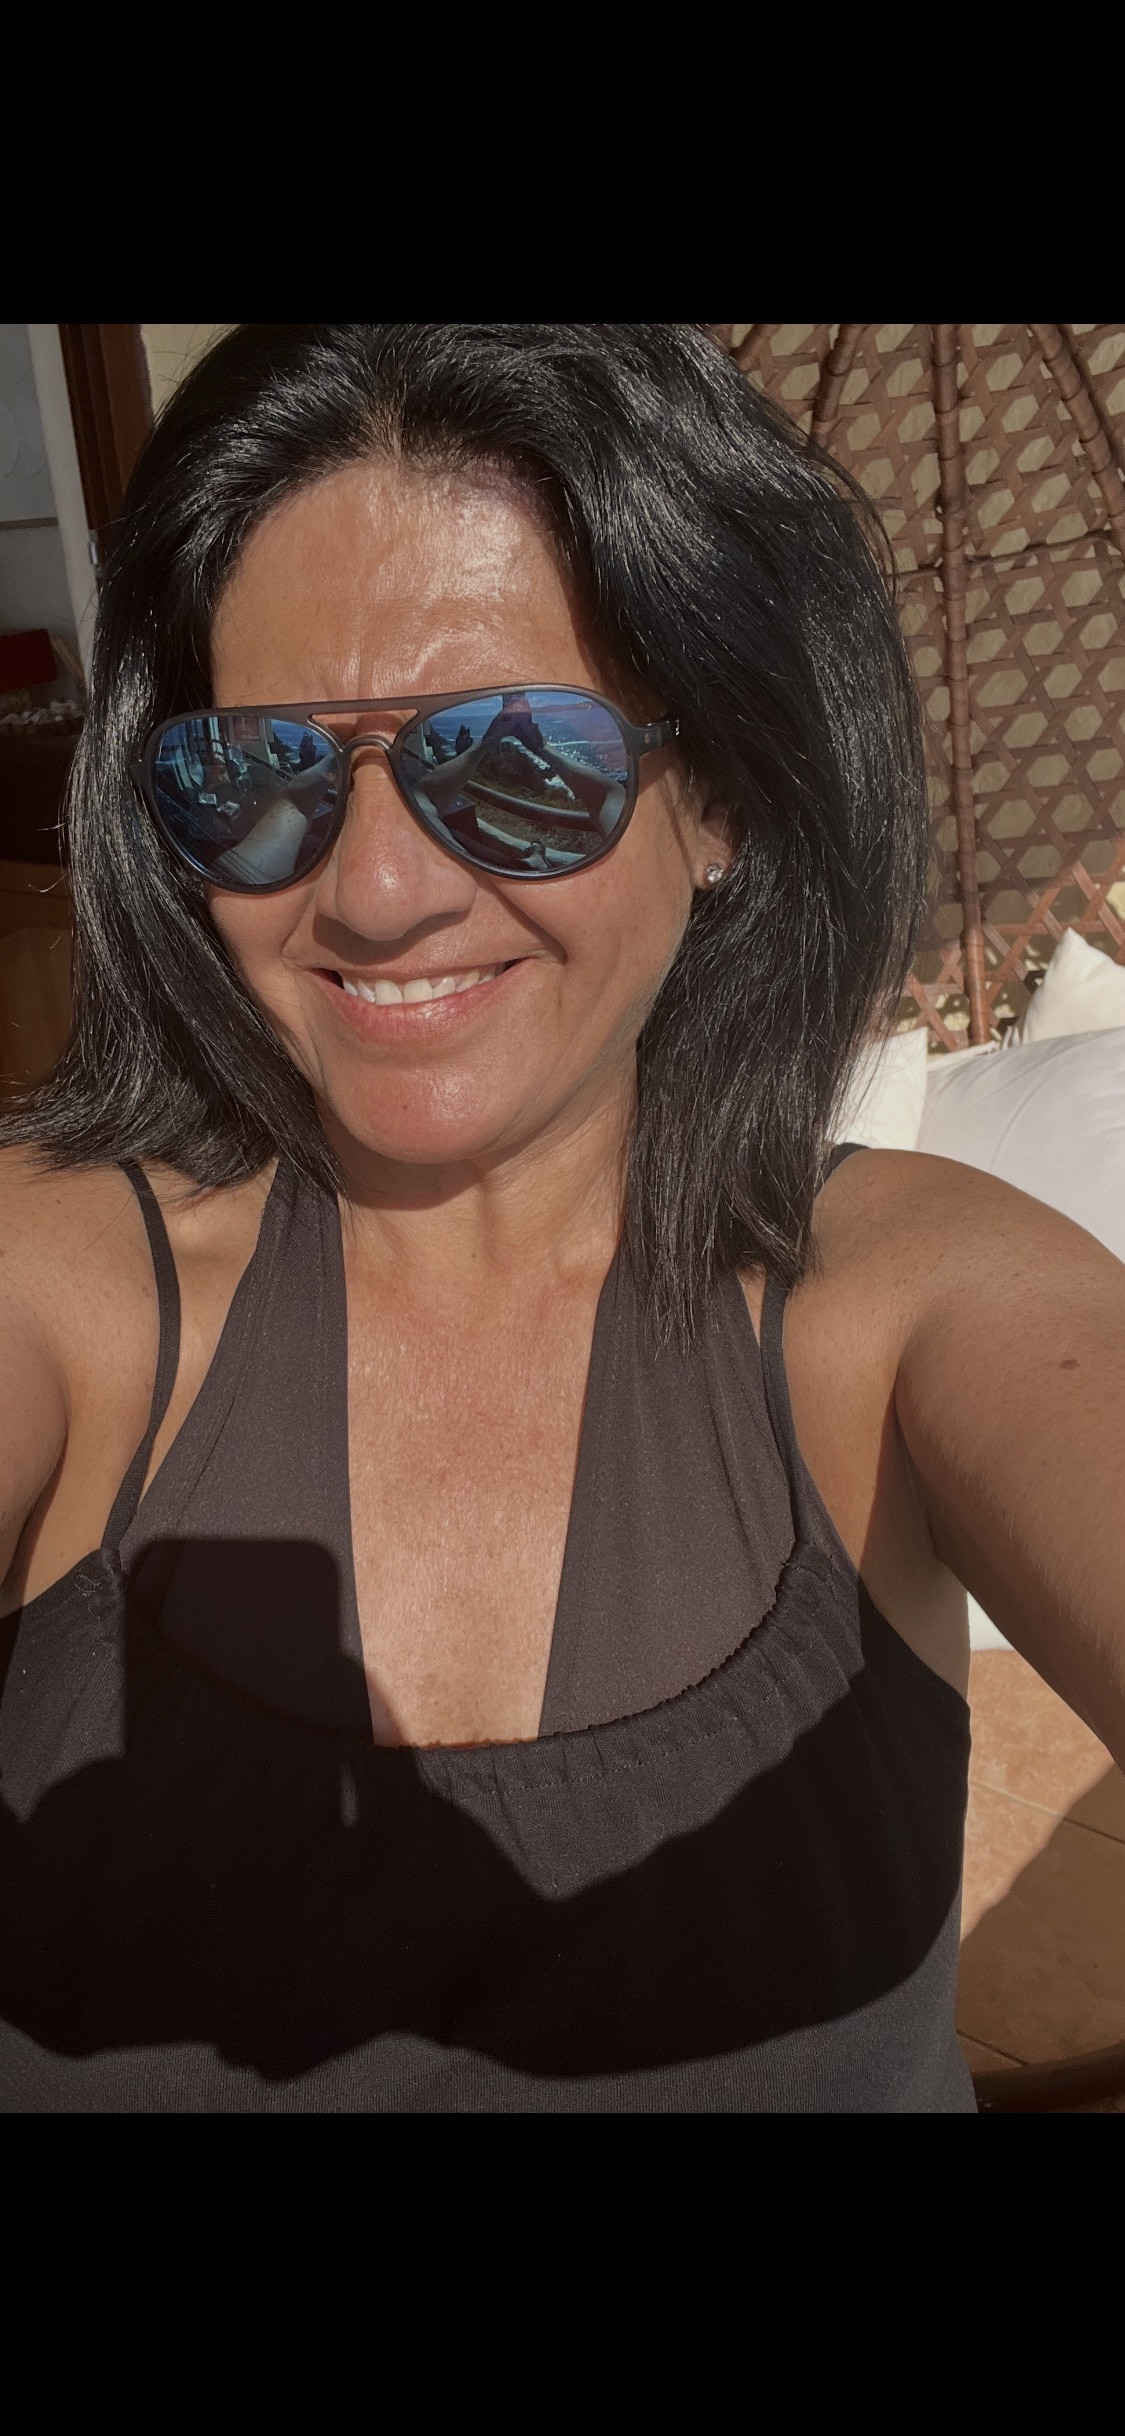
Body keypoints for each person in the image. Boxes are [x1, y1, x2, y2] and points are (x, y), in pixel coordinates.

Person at [0, 324, 1121, 2113]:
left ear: (722, 794)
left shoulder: (910, 1295)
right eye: (262, 774)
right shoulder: (59, 1282)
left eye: (514, 761)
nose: (374, 891)